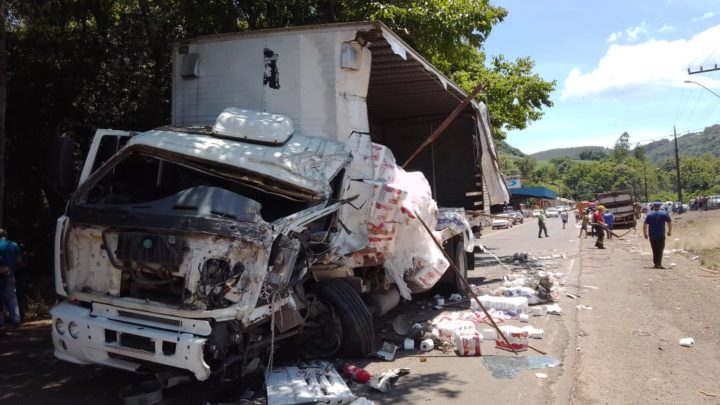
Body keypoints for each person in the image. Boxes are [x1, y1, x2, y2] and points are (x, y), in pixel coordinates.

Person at [0, 229, 22, 328]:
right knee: (12, 297)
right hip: (10, 274)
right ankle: (16, 319)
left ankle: (1, 321)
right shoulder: (14, 245)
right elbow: (19, 260)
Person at [643, 201, 672, 269]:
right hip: (661, 235)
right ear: (660, 206)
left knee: (654, 249)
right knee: (660, 249)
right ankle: (658, 264)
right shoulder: (664, 213)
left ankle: (656, 263)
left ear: (653, 206)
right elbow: (669, 222)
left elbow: (645, 225)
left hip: (652, 235)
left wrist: (645, 234)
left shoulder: (649, 215)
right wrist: (669, 231)